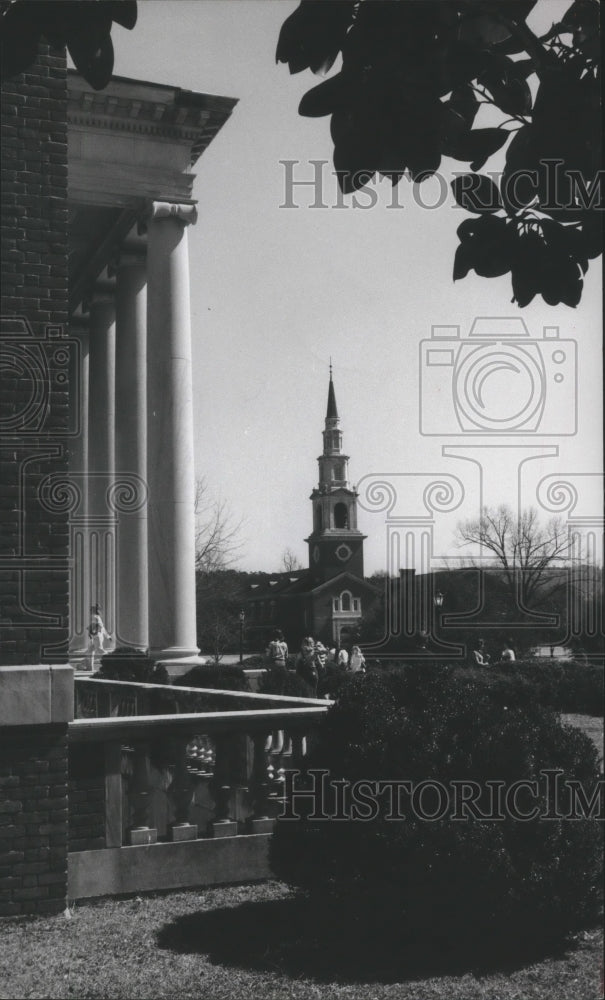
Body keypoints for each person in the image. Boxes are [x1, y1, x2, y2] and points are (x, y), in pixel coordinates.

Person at [85, 604, 110, 671]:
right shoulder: (96, 617)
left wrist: (92, 631)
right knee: (89, 652)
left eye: (91, 610)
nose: (90, 611)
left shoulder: (95, 617)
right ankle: (89, 667)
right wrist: (108, 636)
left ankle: (111, 658)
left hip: (97, 636)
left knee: (100, 650)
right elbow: (101, 628)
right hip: (94, 637)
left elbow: (99, 627)